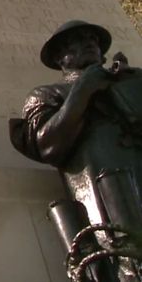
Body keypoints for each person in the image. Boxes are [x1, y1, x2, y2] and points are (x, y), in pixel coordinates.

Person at [11, 20, 142, 279]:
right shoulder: (48, 94)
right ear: (61, 57)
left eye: (92, 38)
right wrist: (83, 89)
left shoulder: (131, 80)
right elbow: (47, 145)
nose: (89, 43)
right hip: (108, 202)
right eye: (78, 40)